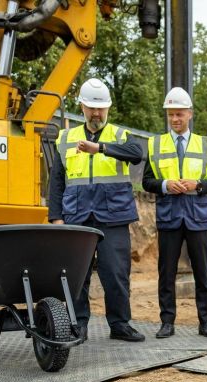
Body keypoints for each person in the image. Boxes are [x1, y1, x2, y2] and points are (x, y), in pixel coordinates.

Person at [48, 78, 145, 342]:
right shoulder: (66, 138)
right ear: (82, 106)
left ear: (108, 108)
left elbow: (136, 153)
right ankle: (78, 324)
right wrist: (56, 217)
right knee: (76, 275)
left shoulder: (119, 136)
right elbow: (56, 182)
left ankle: (120, 324)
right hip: (77, 216)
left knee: (116, 273)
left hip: (113, 216)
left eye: (101, 108)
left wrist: (100, 148)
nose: (96, 113)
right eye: (91, 108)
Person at [142, 87, 207, 338]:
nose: (175, 119)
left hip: (197, 216)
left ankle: (205, 322)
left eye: (179, 114)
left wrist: (197, 185)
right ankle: (167, 322)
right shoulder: (156, 144)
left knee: (202, 272)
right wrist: (166, 185)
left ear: (190, 114)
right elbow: (147, 182)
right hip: (169, 216)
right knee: (166, 273)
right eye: (171, 114)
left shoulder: (205, 145)